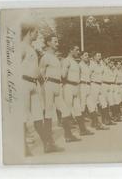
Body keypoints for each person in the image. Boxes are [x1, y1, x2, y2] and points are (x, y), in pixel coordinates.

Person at [40, 34, 79, 152]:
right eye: (55, 42)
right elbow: (40, 72)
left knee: (66, 111)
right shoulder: (45, 57)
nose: (57, 44)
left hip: (57, 86)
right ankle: (48, 144)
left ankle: (68, 136)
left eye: (57, 42)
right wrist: (43, 88)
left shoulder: (56, 58)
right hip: (49, 86)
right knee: (48, 114)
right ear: (48, 43)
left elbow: (62, 75)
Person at [21, 22, 46, 156]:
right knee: (24, 115)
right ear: (29, 32)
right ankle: (23, 147)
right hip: (24, 83)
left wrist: (41, 81)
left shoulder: (31, 48)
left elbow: (35, 69)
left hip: (34, 84)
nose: (37, 34)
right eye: (36, 32)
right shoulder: (22, 47)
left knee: (37, 115)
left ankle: (47, 143)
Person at [61, 46, 94, 136]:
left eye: (79, 50)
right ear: (70, 50)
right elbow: (63, 75)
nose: (78, 52)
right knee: (67, 110)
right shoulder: (66, 61)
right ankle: (67, 135)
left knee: (78, 109)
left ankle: (83, 130)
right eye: (76, 50)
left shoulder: (75, 62)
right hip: (68, 86)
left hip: (75, 87)